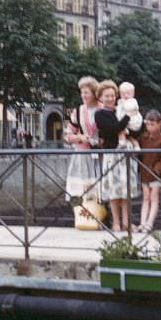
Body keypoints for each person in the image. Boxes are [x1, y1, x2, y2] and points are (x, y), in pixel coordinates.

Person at [95, 79, 138, 232]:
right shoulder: (100, 114)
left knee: (125, 190)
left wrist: (128, 122)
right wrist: (127, 117)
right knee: (114, 191)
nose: (111, 98)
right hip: (112, 154)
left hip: (125, 153)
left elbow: (136, 129)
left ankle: (126, 222)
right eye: (107, 96)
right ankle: (116, 222)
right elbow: (111, 130)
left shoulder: (121, 108)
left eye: (113, 95)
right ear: (100, 97)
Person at [64, 77, 102, 229]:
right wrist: (79, 137)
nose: (83, 96)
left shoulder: (102, 109)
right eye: (82, 93)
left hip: (98, 154)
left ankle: (97, 219)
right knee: (79, 189)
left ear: (94, 93)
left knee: (97, 188)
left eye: (86, 92)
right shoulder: (78, 111)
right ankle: (81, 220)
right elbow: (68, 136)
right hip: (82, 154)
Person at [136, 109, 161, 233]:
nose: (150, 127)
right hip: (145, 173)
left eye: (152, 124)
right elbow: (139, 154)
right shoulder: (143, 138)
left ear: (159, 124)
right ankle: (142, 222)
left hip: (156, 174)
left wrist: (156, 170)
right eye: (148, 124)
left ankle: (150, 223)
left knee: (154, 197)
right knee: (145, 197)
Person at [116, 81, 144, 149]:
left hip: (132, 122)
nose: (125, 95)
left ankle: (122, 143)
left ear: (133, 94)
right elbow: (119, 111)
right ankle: (136, 146)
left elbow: (129, 108)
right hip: (125, 122)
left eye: (128, 93)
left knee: (122, 132)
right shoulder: (120, 101)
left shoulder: (132, 101)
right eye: (123, 93)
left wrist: (123, 103)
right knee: (129, 136)